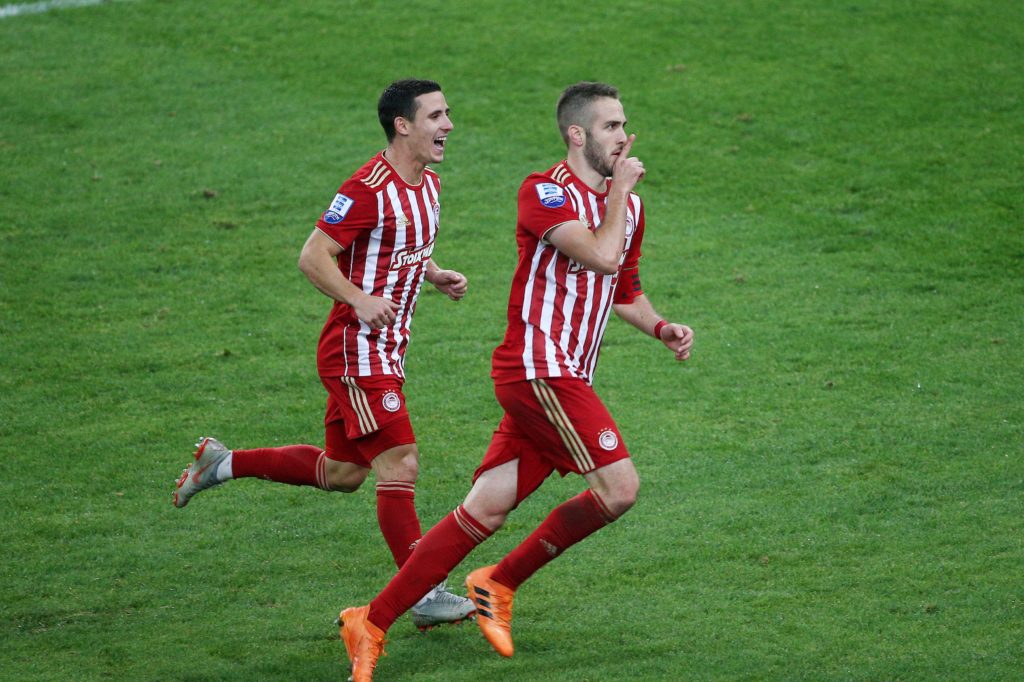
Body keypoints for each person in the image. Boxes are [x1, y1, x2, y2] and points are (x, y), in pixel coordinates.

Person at [337, 81, 695, 680]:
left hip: (560, 376)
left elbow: (623, 287)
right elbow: (600, 256)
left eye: (624, 124)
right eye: (610, 127)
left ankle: (370, 621)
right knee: (620, 489)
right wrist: (618, 194)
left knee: (486, 508)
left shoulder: (628, 210)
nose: (624, 137)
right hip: (538, 370)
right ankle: (500, 582)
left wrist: (660, 327)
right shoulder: (545, 192)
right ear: (577, 135)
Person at [172, 79, 475, 630]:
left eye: (447, 114)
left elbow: (402, 242)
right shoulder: (367, 188)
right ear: (402, 125)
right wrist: (358, 299)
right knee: (400, 462)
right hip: (356, 351)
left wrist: (432, 273)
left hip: (386, 349)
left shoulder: (428, 184)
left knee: (343, 473)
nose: (448, 125)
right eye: (435, 116)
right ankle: (423, 593)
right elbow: (313, 256)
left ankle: (221, 463)